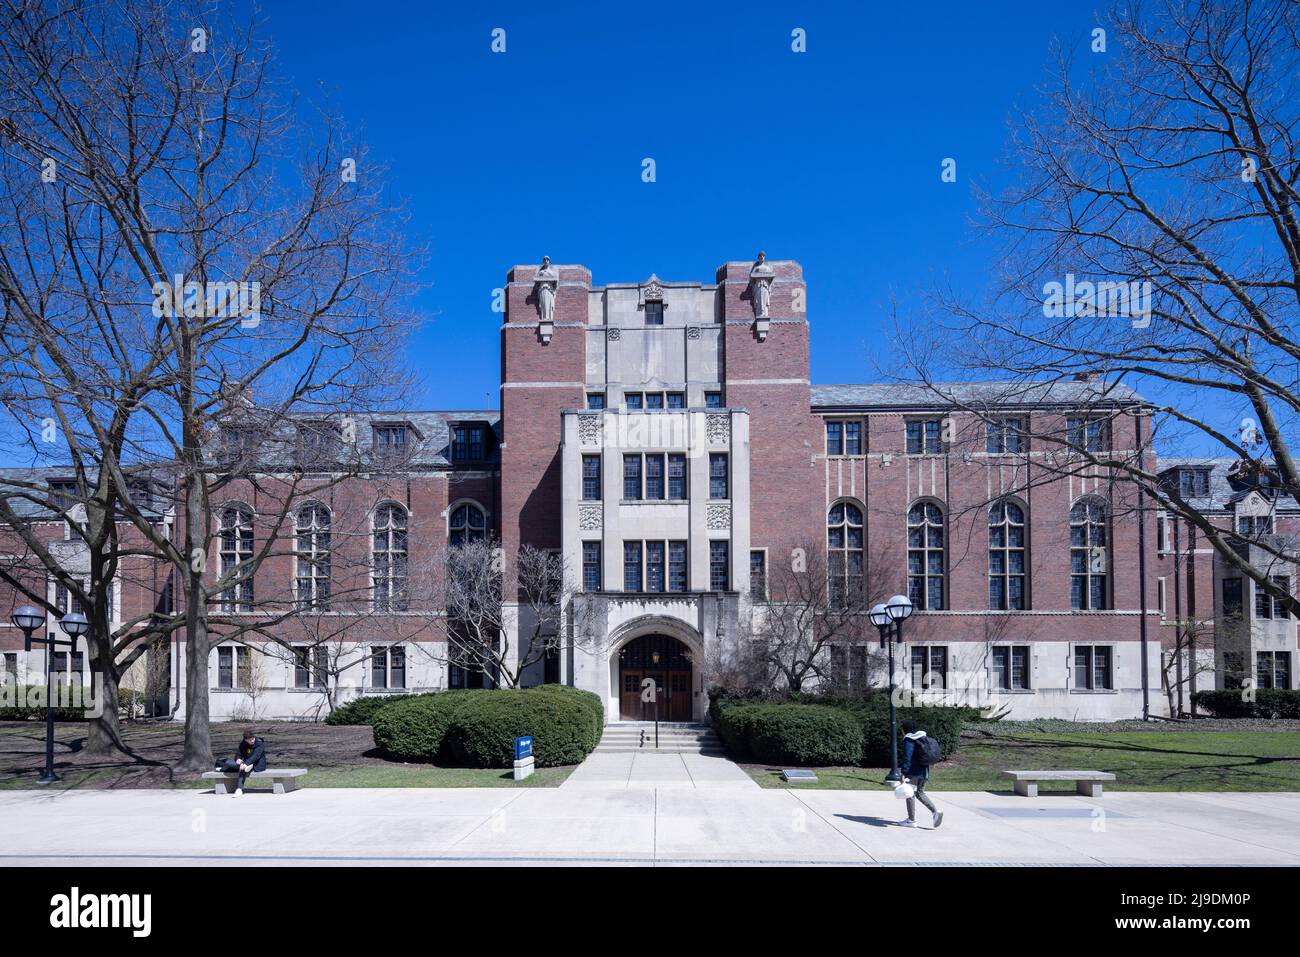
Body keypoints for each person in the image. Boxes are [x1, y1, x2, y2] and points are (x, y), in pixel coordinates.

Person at [898, 719, 943, 829]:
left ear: (905, 729)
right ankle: (935, 812)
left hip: (913, 772)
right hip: (925, 771)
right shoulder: (922, 738)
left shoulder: (909, 739)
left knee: (909, 793)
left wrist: (903, 772)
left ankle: (911, 820)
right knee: (920, 792)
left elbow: (907, 757)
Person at [215, 729, 266, 797]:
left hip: (257, 764)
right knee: (231, 763)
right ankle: (226, 766)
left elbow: (255, 756)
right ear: (245, 740)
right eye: (250, 740)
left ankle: (239, 789)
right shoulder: (243, 743)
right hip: (246, 763)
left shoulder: (259, 743)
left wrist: (245, 764)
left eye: (253, 738)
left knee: (243, 769)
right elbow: (238, 753)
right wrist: (238, 759)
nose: (252, 741)